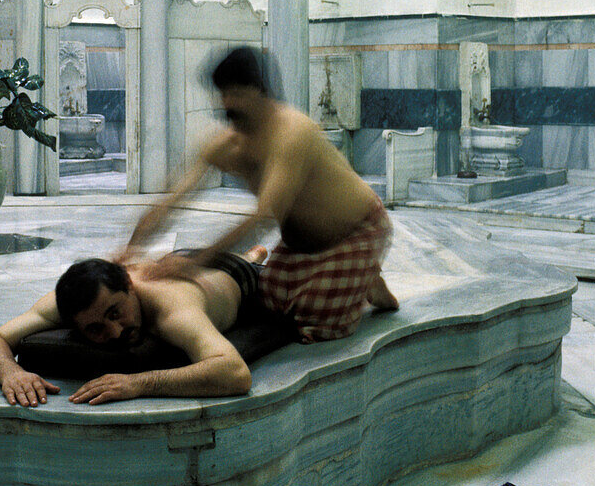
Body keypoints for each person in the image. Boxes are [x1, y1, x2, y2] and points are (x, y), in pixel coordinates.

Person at [119, 46, 398, 343]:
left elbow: (263, 217)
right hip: (299, 247)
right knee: (269, 303)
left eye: (236, 93)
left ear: (259, 90)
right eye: (223, 93)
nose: (227, 103)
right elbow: (173, 201)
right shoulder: (227, 144)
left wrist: (198, 261)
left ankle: (366, 278)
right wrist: (130, 250)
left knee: (312, 322)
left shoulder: (292, 132)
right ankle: (361, 280)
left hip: (356, 231)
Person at [0, 245, 267, 407]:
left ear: (129, 285)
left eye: (116, 313)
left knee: (248, 259)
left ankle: (253, 255)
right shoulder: (69, 304)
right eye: (95, 329)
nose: (115, 332)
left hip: (233, 274)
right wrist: (10, 373)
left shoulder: (174, 310)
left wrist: (140, 384)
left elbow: (235, 373)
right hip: (177, 260)